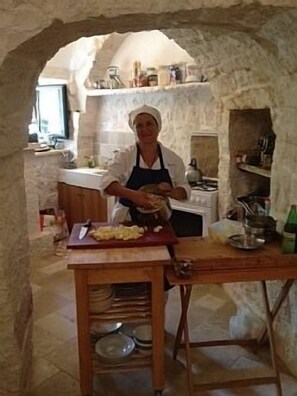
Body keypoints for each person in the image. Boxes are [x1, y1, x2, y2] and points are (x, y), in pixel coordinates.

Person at [99, 104, 191, 226]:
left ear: (158, 126)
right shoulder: (125, 156)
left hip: (160, 219)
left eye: (149, 124)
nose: (145, 129)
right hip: (126, 220)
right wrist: (133, 195)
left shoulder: (173, 159)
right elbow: (106, 183)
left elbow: (184, 188)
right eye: (139, 126)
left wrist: (170, 192)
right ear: (134, 130)